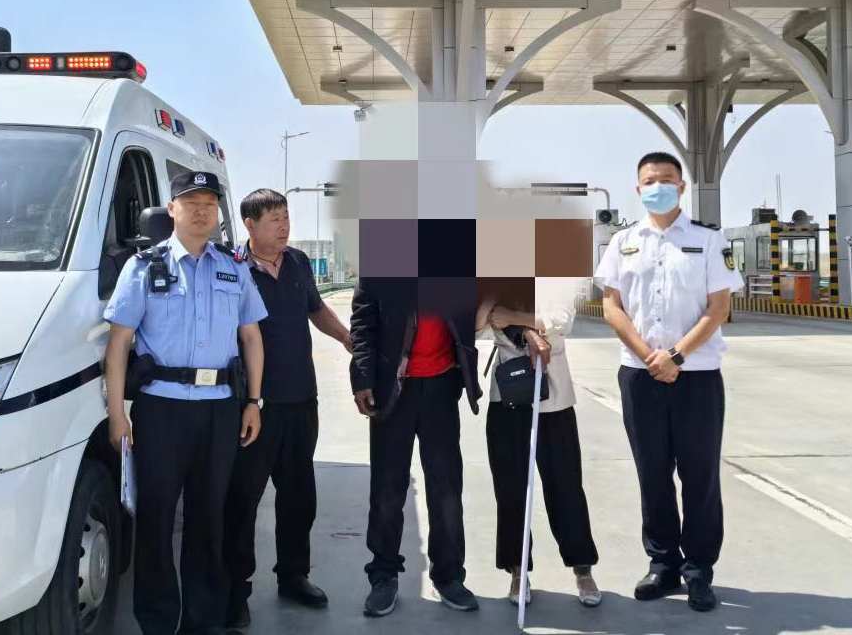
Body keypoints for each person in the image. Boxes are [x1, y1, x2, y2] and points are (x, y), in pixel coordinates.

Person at [103, 171, 268, 635]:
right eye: (191, 202)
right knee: (155, 519)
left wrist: (253, 401)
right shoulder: (143, 267)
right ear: (171, 209)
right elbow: (119, 344)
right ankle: (158, 620)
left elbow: (252, 338)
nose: (201, 211)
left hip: (220, 409)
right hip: (161, 409)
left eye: (209, 204)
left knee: (209, 517)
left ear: (218, 214)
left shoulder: (233, 268)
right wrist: (117, 415)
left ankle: (204, 620)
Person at [593, 152, 744, 613]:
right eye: (649, 181)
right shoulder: (622, 242)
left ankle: (698, 571)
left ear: (681, 186)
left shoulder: (709, 240)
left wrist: (676, 355)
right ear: (637, 189)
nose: (657, 186)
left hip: (697, 376)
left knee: (700, 476)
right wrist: (649, 356)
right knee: (653, 474)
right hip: (640, 376)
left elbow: (718, 308)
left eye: (666, 179)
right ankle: (662, 564)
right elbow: (612, 305)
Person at [223, 189, 352, 628]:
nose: (284, 225)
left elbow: (316, 309)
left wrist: (346, 337)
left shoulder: (297, 263)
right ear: (250, 225)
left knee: (299, 495)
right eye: (274, 218)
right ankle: (236, 589)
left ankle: (293, 575)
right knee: (243, 498)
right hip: (255, 407)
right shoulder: (233, 268)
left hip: (301, 399)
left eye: (286, 217)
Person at [349, 278, 481, 617]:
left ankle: (449, 576)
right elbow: (363, 322)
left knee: (446, 489)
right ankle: (384, 576)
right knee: (387, 490)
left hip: (442, 387)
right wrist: (362, 377)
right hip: (393, 389)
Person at [477, 283, 602, 609]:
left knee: (565, 484)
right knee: (511, 488)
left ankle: (582, 568)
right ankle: (518, 570)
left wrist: (516, 318)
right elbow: (476, 326)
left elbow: (561, 320)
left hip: (553, 393)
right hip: (508, 392)